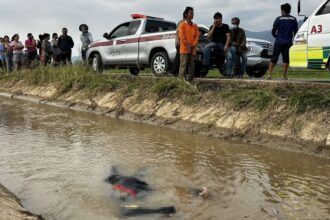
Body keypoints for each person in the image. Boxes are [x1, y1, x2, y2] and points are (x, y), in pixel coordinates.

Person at [267, 3, 298, 80]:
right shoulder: (293, 19)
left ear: (283, 11)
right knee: (286, 59)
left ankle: (269, 75)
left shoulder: (278, 19)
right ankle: (283, 76)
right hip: (288, 42)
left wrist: (276, 36)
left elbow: (273, 30)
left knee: (274, 58)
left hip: (279, 41)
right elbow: (296, 31)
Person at [201, 12, 233, 77]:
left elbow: (228, 36)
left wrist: (226, 45)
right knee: (206, 47)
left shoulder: (225, 26)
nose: (218, 20)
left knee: (229, 56)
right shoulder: (212, 27)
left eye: (220, 18)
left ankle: (229, 74)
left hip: (223, 44)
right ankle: (206, 65)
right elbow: (209, 36)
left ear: (221, 19)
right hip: (214, 43)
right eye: (217, 19)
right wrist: (214, 27)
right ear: (214, 19)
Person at [178, 6, 199, 82]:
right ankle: (181, 83)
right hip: (184, 50)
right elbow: (181, 36)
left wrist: (192, 45)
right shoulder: (182, 25)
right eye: (190, 13)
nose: (192, 15)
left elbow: (197, 37)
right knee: (183, 67)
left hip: (192, 50)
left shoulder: (195, 26)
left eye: (193, 13)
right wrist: (188, 45)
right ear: (186, 14)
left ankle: (190, 82)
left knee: (191, 67)